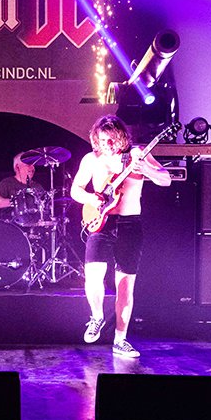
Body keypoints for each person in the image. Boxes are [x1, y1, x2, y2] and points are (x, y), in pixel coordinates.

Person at [69, 114, 171, 358]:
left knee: (125, 285)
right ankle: (97, 317)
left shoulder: (137, 155)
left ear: (121, 137)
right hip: (101, 223)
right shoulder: (91, 160)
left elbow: (166, 180)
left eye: (112, 139)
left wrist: (146, 169)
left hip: (129, 225)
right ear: (96, 139)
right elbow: (75, 190)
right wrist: (91, 197)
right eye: (103, 139)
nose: (107, 144)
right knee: (93, 276)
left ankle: (120, 340)